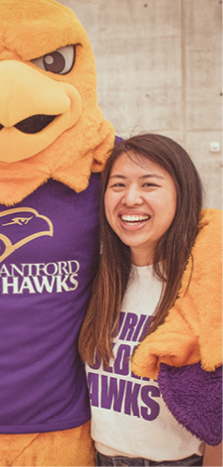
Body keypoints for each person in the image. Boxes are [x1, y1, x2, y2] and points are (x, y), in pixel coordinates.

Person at [79, 134, 222, 466]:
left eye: (149, 185)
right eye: (118, 185)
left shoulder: (206, 283)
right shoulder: (98, 279)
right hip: (100, 458)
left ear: (180, 195)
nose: (130, 199)